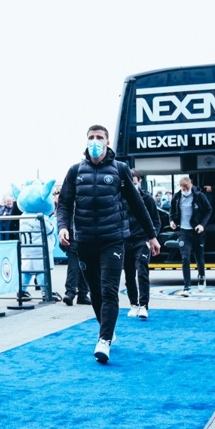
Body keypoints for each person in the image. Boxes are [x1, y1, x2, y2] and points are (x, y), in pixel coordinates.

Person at [56, 124, 160, 364]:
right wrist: (63, 227)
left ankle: (104, 341)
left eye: (99, 137)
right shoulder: (75, 171)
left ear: (107, 142)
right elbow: (65, 204)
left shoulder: (120, 169)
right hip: (84, 241)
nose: (95, 141)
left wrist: (151, 235)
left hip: (112, 239)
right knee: (94, 291)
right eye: (91, 137)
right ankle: (106, 327)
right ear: (86, 141)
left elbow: (137, 204)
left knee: (109, 289)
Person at [124, 170, 161, 319]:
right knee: (129, 274)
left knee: (142, 271)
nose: (132, 186)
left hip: (142, 240)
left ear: (139, 182)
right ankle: (134, 304)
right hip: (126, 240)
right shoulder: (121, 198)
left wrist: (151, 238)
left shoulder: (148, 199)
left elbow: (156, 221)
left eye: (134, 183)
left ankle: (144, 305)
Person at [169, 175, 212, 294]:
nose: (185, 191)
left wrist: (202, 224)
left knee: (199, 258)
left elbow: (209, 210)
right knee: (185, 258)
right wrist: (172, 221)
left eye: (186, 189)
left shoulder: (199, 196)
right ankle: (187, 287)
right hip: (184, 232)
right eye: (183, 189)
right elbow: (171, 212)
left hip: (197, 232)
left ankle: (201, 277)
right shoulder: (177, 197)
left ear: (190, 186)